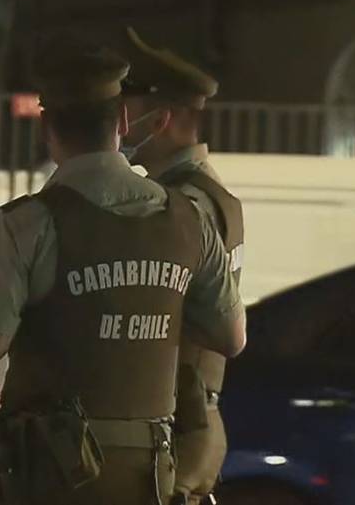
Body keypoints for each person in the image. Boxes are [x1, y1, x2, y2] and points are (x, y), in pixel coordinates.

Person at [0, 33, 246, 505]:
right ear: (124, 120)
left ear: (47, 126)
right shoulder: (188, 220)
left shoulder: (29, 224)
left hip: (52, 477)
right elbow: (231, 338)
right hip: (151, 476)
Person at [120, 27, 246, 505]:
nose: (122, 123)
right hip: (191, 418)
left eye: (129, 110)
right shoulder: (209, 193)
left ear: (161, 119)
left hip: (178, 426)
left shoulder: (183, 206)